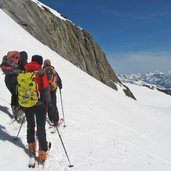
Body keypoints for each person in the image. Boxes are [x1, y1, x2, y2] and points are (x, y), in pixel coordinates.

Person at [23, 55, 51, 163]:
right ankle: (42, 152)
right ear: (40, 63)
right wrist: (48, 104)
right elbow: (46, 89)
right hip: (40, 104)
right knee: (41, 128)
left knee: (30, 125)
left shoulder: (25, 71)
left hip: (28, 103)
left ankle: (31, 146)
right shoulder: (40, 72)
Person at [3, 51, 28, 121]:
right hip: (15, 81)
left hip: (7, 80)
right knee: (19, 96)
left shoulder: (13, 60)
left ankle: (15, 110)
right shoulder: (23, 61)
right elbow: (27, 71)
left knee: (14, 95)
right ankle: (19, 114)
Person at [43, 59, 62, 126]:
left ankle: (51, 118)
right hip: (53, 90)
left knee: (48, 104)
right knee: (54, 104)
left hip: (45, 90)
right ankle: (56, 120)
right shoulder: (53, 71)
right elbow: (59, 80)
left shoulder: (43, 71)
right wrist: (60, 86)